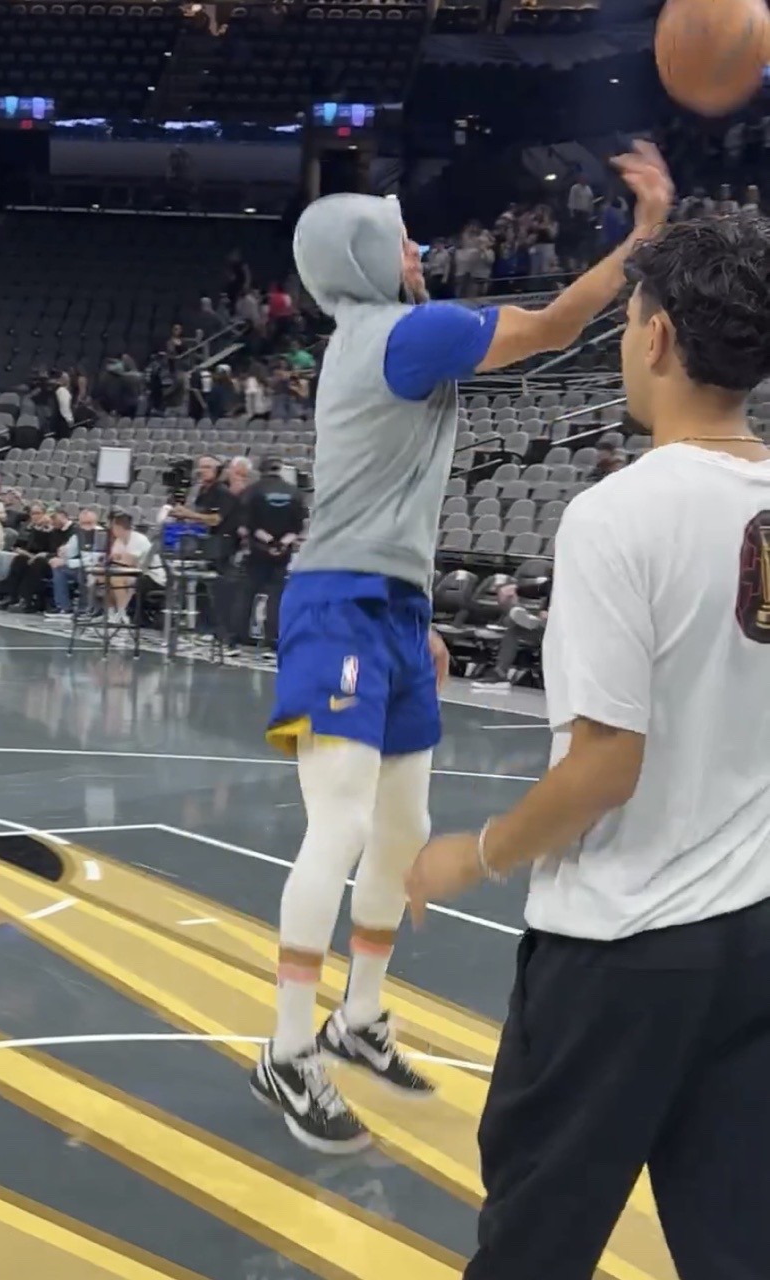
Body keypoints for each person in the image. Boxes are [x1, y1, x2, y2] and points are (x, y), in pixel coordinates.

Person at [251, 142, 674, 1153]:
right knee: (341, 824)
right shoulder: (405, 333)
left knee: (403, 825)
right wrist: (646, 233)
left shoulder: (383, 339)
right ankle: (284, 1048)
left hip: (390, 608)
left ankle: (357, 1017)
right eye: (399, 238)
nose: (416, 249)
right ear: (364, 253)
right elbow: (559, 324)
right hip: (338, 606)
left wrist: (418, 615)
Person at [407, 211, 770, 1280]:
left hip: (621, 945)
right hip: (754, 936)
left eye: (628, 323)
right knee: (737, 1240)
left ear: (655, 338)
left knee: (535, 1240)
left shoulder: (619, 515)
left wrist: (475, 852)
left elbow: (606, 765)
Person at [232, 456, 308, 657]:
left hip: (257, 552)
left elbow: (248, 525)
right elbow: (298, 527)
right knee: (277, 597)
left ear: (260, 470)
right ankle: (272, 638)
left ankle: (240, 637)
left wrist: (269, 542)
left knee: (247, 594)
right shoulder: (295, 493)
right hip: (283, 553)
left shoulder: (252, 491)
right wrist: (281, 544)